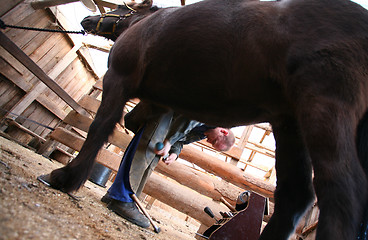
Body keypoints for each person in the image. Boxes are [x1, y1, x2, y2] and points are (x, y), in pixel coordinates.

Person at [101, 102, 235, 228]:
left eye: (212, 144)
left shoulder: (203, 132)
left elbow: (181, 140)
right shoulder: (214, 114)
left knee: (151, 156)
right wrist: (169, 141)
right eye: (215, 140)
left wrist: (174, 153)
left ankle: (117, 195)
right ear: (223, 131)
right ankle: (123, 199)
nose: (209, 141)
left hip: (167, 123)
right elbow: (189, 118)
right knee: (147, 148)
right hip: (164, 108)